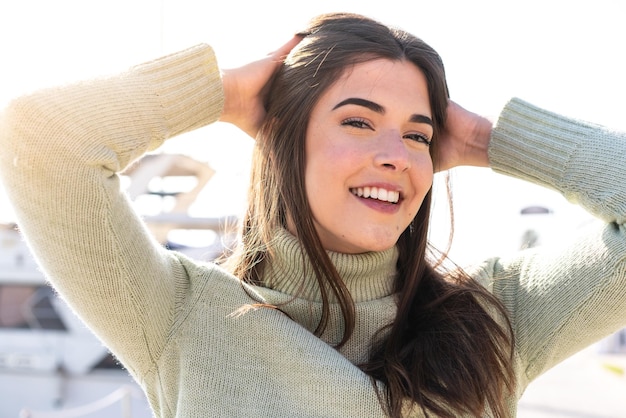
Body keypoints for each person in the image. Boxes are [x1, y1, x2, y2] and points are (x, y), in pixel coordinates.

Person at [0, 11, 624, 418]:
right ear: (281, 139)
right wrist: (227, 94)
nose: (394, 157)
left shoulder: (497, 317)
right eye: (358, 122)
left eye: (417, 135)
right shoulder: (181, 317)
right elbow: (40, 141)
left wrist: (493, 139)